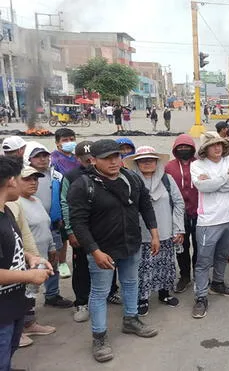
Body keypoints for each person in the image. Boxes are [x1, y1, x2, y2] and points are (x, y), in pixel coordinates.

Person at [68, 139, 160, 363]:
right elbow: (78, 222)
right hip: (102, 249)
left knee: (131, 283)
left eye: (117, 156)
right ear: (93, 160)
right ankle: (99, 337)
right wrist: (94, 251)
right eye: (107, 158)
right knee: (99, 292)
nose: (113, 161)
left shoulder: (131, 178)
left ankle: (131, 319)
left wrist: (154, 233)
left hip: (131, 243)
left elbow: (145, 205)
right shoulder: (83, 185)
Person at [0, 156, 53, 371]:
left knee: (10, 348)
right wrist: (29, 276)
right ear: (11, 181)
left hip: (14, 301)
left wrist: (32, 258)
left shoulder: (8, 210)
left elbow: (13, 247)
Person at [190, 137, 229, 318]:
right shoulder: (197, 165)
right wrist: (225, 177)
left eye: (220, 144)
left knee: (223, 255)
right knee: (203, 261)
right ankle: (201, 297)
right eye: (212, 145)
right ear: (205, 149)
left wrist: (215, 183)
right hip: (208, 221)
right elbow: (203, 186)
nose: (217, 148)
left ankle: (218, 283)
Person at [125, 147, 185, 316]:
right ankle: (142, 298)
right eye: (142, 160)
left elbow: (179, 203)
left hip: (166, 231)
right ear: (136, 163)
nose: (147, 163)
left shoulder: (167, 179)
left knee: (165, 265)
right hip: (141, 234)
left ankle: (164, 294)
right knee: (142, 268)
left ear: (157, 162)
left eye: (151, 159)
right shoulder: (131, 182)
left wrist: (178, 228)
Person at [60, 141, 112, 323]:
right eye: (85, 159)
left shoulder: (106, 173)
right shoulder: (71, 176)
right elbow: (65, 204)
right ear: (77, 158)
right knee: (81, 266)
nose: (89, 162)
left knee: (109, 261)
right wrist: (70, 231)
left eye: (92, 159)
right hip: (82, 229)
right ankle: (81, 302)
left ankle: (111, 293)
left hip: (104, 229)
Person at [22, 142, 73, 309]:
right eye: (38, 156)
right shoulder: (22, 176)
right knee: (29, 268)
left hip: (52, 226)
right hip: (29, 229)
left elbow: (62, 198)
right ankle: (27, 311)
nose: (43, 159)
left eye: (45, 155)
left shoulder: (56, 175)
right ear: (29, 158)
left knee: (53, 261)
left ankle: (52, 295)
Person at [165, 135, 200, 293]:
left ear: (192, 148)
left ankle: (199, 274)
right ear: (175, 149)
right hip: (178, 214)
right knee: (182, 246)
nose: (183, 149)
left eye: (187, 147)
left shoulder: (200, 164)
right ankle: (185, 276)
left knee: (200, 246)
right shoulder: (168, 166)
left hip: (199, 212)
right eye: (180, 147)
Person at [50, 128, 80, 279]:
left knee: (76, 234)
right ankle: (61, 262)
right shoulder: (54, 160)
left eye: (71, 139)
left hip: (78, 201)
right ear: (57, 143)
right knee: (62, 237)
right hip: (62, 200)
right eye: (64, 140)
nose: (69, 143)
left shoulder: (77, 158)